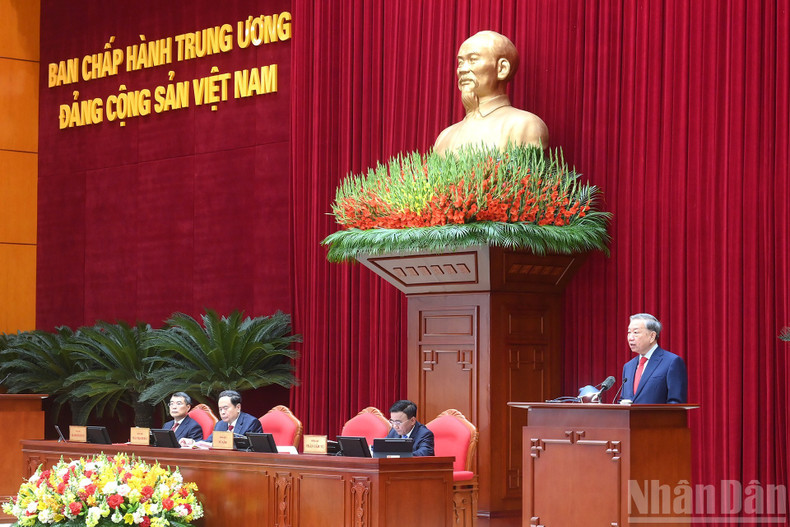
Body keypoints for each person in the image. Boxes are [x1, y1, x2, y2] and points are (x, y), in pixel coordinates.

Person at [433, 30, 549, 155]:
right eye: (461, 62)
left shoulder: (525, 126)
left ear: (502, 69)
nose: (462, 69)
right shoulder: (444, 137)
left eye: (473, 60)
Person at [619, 313, 687, 404]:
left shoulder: (672, 362)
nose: (630, 337)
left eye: (635, 332)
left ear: (652, 336)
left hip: (657, 418)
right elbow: (623, 399)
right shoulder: (628, 366)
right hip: (629, 418)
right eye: (629, 332)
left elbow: (676, 403)